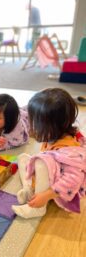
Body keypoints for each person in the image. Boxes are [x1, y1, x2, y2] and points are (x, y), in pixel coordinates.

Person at [12, 88, 86, 219]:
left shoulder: (71, 153)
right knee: (23, 158)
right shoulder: (55, 134)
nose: (31, 128)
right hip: (50, 178)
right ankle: (29, 190)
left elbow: (72, 182)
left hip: (59, 190)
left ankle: (38, 208)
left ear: (50, 127)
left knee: (40, 162)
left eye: (35, 124)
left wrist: (45, 195)